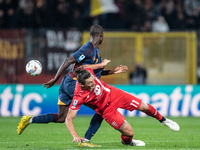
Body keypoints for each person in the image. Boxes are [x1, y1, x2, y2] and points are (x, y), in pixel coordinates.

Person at [17, 24, 128, 147]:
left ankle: (29, 119)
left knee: (61, 117)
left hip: (68, 82)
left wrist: (112, 71)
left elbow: (95, 73)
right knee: (102, 108)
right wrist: (55, 79)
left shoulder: (96, 51)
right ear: (101, 36)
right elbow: (68, 60)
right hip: (74, 84)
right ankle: (85, 141)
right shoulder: (88, 48)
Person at [66, 67, 180, 146]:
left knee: (144, 107)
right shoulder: (79, 96)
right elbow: (69, 119)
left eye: (93, 80)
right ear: (82, 85)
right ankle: (128, 142)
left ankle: (163, 120)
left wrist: (113, 70)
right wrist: (75, 135)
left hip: (114, 94)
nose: (94, 83)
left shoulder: (88, 72)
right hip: (106, 110)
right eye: (90, 83)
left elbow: (92, 67)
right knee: (129, 132)